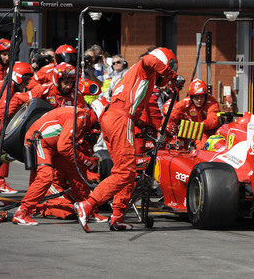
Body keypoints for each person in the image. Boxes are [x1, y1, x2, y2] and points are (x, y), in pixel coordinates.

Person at [74, 47, 178, 232]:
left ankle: (117, 215)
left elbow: (132, 104)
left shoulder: (137, 76)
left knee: (125, 171)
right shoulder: (145, 66)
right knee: (125, 171)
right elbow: (148, 59)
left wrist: (147, 126)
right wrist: (170, 75)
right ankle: (88, 205)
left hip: (116, 118)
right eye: (169, 67)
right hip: (121, 120)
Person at [12, 107, 104, 225]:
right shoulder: (81, 117)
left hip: (54, 145)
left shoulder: (85, 118)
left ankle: (87, 210)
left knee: (75, 170)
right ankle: (22, 212)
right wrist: (86, 161)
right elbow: (64, 147)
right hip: (39, 140)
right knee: (46, 176)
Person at [0, 62, 33, 205]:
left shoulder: (11, 88)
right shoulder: (7, 88)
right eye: (26, 78)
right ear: (17, 77)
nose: (28, 81)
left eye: (30, 78)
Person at [167, 79, 220, 150]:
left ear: (206, 96)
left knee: (203, 144)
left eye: (201, 96)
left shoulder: (212, 102)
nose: (199, 100)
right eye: (196, 97)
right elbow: (172, 115)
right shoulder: (185, 102)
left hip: (210, 132)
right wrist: (169, 125)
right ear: (191, 97)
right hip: (193, 132)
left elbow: (213, 120)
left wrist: (200, 126)